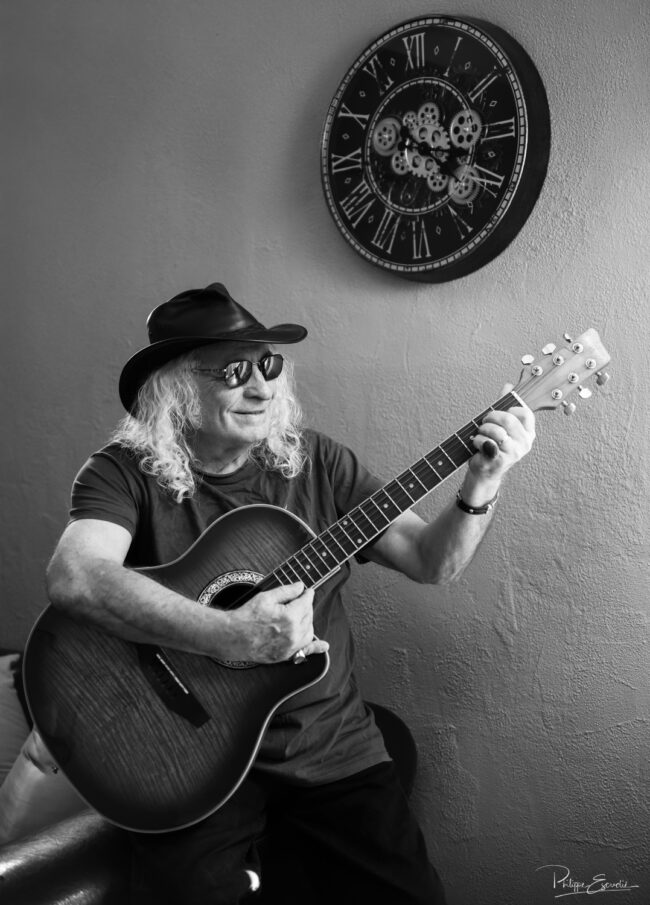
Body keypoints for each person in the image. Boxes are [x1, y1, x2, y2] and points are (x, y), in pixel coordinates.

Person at [46, 282, 535, 905]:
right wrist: (229, 633)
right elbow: (75, 577)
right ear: (173, 389)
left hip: (332, 750)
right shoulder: (122, 473)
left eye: (270, 365)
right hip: (190, 758)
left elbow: (430, 561)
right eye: (235, 369)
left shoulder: (317, 463)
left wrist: (483, 481)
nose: (263, 387)